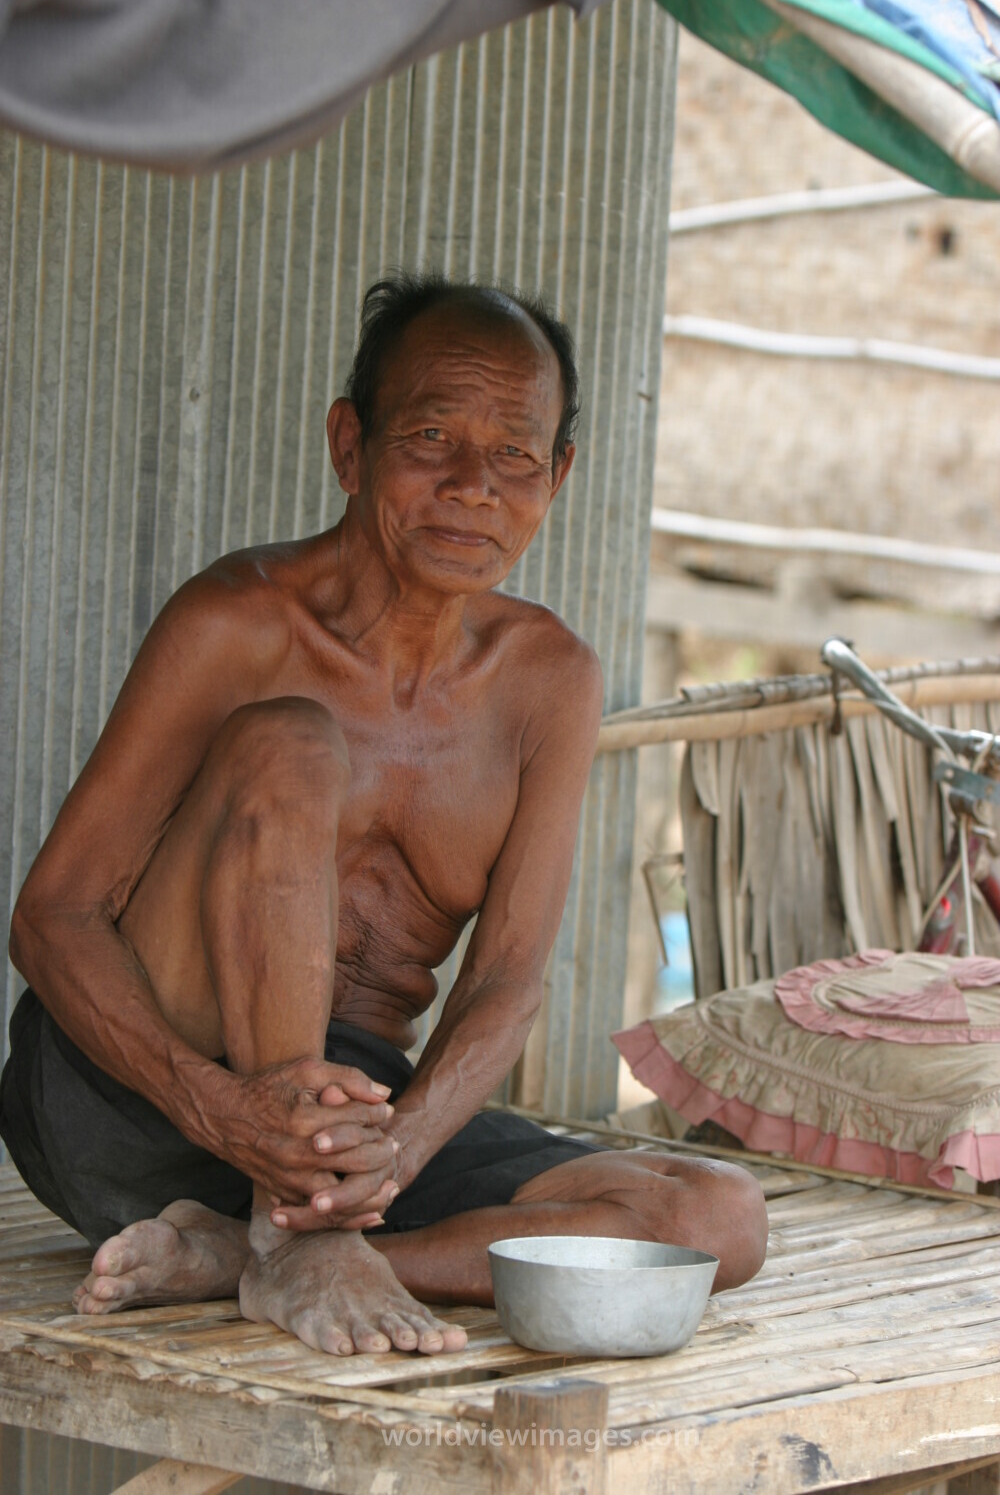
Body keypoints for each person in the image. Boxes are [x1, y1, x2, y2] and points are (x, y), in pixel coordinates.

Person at [3, 274, 767, 1357]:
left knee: (714, 1216)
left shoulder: (548, 680)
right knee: (292, 744)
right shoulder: (239, 622)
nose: (472, 486)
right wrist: (227, 1111)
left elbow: (505, 983)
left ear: (558, 476)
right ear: (350, 447)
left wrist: (388, 1160)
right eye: (430, 437)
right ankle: (292, 1238)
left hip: (358, 1123)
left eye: (514, 454)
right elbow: (53, 917)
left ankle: (251, 1251)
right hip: (140, 1105)